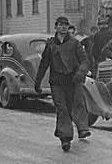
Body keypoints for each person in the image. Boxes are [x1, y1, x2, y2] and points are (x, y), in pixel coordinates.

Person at [34, 16, 91, 152]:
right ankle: (65, 139)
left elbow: (85, 61)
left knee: (73, 107)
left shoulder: (74, 43)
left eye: (66, 25)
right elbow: (44, 64)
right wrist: (38, 82)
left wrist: (80, 73)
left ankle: (73, 130)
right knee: (62, 109)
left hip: (72, 81)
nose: (64, 27)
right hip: (56, 83)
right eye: (61, 25)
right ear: (56, 27)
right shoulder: (51, 44)